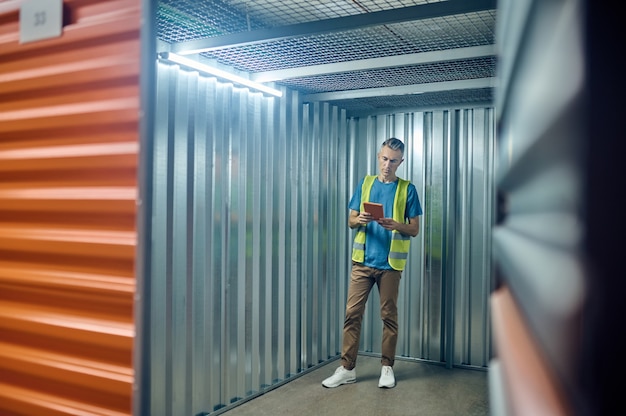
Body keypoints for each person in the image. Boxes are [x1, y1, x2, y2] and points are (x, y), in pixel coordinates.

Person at [322, 137, 423, 389]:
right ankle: (347, 369)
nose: (388, 165)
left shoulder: (407, 189)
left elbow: (414, 230)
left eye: (394, 161)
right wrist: (362, 219)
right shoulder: (365, 183)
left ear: (401, 162)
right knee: (352, 314)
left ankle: (387, 368)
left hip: (390, 266)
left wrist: (395, 225)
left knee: (388, 316)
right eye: (384, 158)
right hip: (362, 262)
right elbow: (350, 221)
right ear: (379, 156)